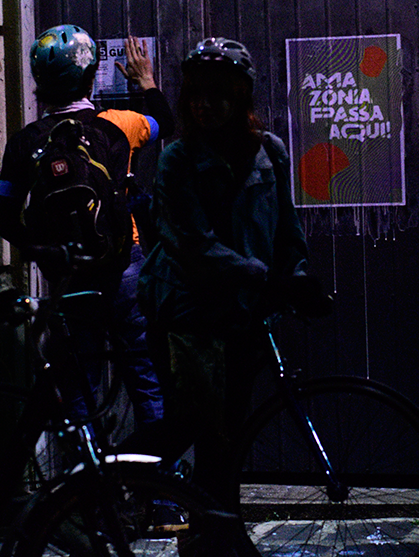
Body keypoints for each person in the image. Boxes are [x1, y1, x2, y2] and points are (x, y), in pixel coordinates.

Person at [140, 36, 322, 510]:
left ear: (240, 97)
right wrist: (267, 278)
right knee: (195, 426)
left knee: (230, 436)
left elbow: (287, 226)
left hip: (245, 315)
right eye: (195, 94)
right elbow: (193, 245)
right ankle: (99, 487)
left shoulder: (270, 152)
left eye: (217, 94)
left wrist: (299, 275)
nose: (203, 105)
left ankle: (218, 530)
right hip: (188, 314)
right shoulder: (177, 159)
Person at [0, 25, 175, 452]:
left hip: (69, 280)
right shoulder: (119, 126)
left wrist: (48, 255)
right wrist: (146, 82)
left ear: (40, 82)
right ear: (91, 75)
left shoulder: (24, 144)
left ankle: (89, 488)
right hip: (124, 268)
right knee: (146, 379)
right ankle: (160, 486)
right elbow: (165, 123)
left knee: (79, 386)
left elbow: (6, 221)